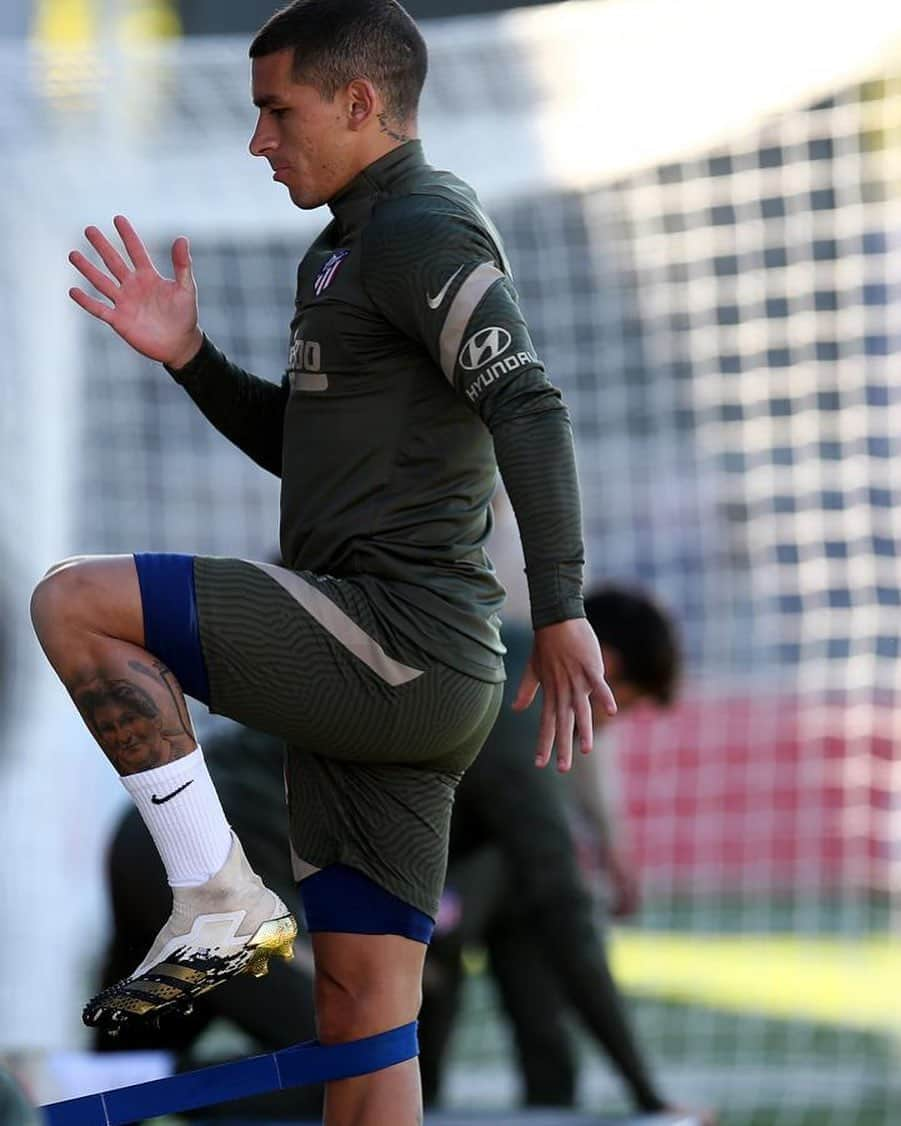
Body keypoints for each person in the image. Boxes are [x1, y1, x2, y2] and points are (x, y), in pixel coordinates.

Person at [29, 2, 616, 1122]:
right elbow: (307, 456)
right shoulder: (343, 246)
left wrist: (563, 606)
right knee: (360, 1027)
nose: (257, 139)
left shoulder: (425, 226)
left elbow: (530, 405)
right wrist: (193, 359)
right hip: (399, 679)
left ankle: (212, 897)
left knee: (75, 601)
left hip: (396, 643)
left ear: (360, 102)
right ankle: (221, 905)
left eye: (275, 110)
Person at [419, 584, 700, 1120]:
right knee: (423, 986)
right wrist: (647, 1094)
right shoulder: (518, 706)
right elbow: (568, 914)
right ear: (606, 666)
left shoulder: (519, 664)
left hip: (465, 867)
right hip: (313, 874)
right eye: (626, 707)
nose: (613, 724)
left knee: (538, 997)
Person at [93, 720, 323, 1121]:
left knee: (133, 1044)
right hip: (217, 857)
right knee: (340, 1062)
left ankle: (89, 1084)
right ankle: (135, 1088)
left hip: (153, 827)